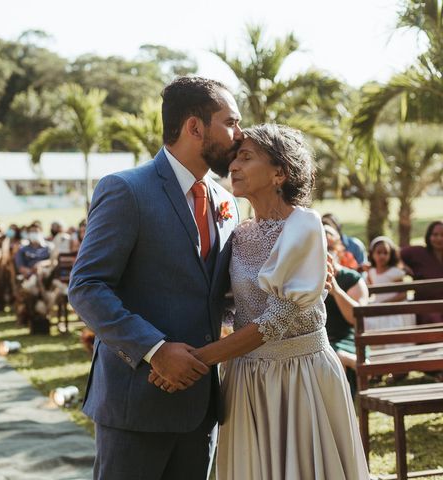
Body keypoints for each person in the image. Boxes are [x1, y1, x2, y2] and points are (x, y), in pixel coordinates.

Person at [153, 124, 368, 479]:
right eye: (235, 157)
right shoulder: (238, 233)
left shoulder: (304, 226)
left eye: (246, 157)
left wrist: (195, 363)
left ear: (279, 172)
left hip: (300, 377)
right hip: (245, 377)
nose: (233, 166)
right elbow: (225, 305)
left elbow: (275, 321)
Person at [69, 76, 242, 480]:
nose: (240, 134)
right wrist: (156, 349)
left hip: (201, 408)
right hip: (137, 404)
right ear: (194, 127)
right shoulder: (126, 190)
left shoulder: (227, 201)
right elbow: (87, 286)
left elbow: (222, 294)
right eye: (230, 122)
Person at [323, 224, 370, 395]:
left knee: (332, 357)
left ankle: (346, 412)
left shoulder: (351, 279)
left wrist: (336, 290)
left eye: (329, 248)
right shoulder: (307, 279)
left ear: (338, 250)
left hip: (348, 340)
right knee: (332, 356)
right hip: (320, 340)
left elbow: (355, 318)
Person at [365, 236, 415, 332]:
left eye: (385, 253)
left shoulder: (395, 272)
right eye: (378, 253)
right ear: (372, 254)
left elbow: (403, 294)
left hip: (394, 309)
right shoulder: (371, 272)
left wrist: (386, 303)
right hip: (378, 308)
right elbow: (370, 290)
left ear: (391, 255)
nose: (382, 256)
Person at [401, 220, 443, 324]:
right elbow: (393, 254)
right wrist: (403, 267)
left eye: (442, 235)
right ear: (429, 236)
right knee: (434, 320)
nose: (439, 238)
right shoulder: (417, 253)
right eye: (435, 235)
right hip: (425, 308)